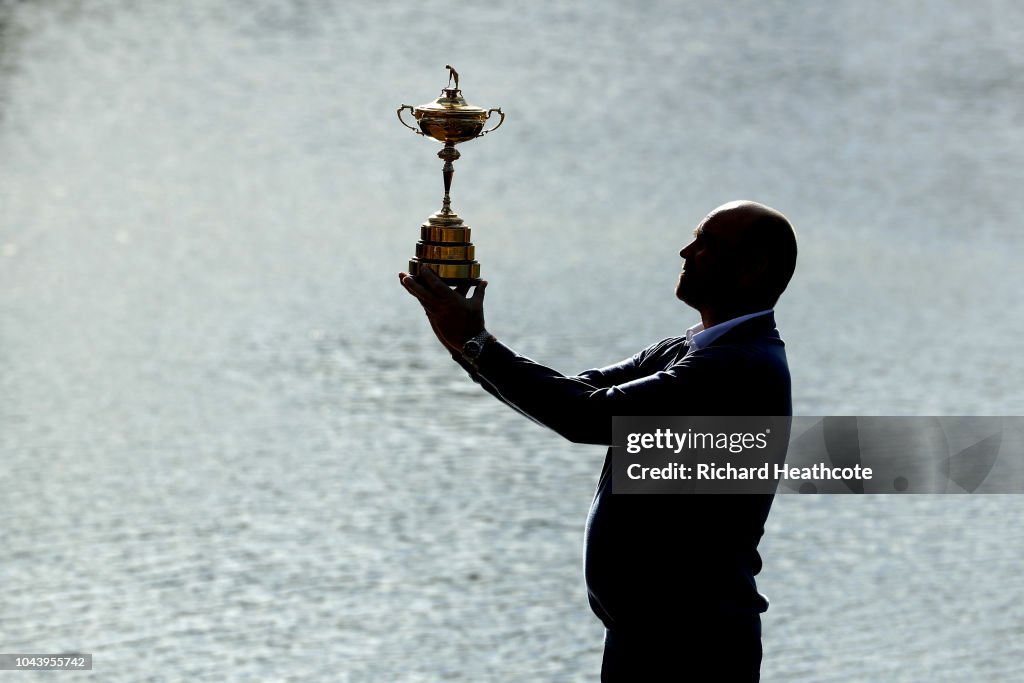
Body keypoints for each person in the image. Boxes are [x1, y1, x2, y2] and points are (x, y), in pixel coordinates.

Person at [399, 200, 797, 681]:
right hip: (649, 637)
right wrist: (461, 339)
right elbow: (574, 391)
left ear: (752, 267)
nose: (686, 250)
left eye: (706, 243)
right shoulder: (688, 349)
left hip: (694, 646)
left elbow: (586, 416)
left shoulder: (740, 366)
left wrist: (477, 343)